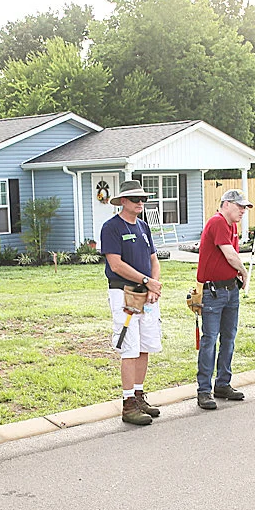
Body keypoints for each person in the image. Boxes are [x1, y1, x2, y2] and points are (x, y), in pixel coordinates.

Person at [100, 181, 165, 423]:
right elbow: (115, 264)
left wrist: (153, 286)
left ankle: (139, 395)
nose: (140, 203)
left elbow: (154, 259)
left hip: (147, 294)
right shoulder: (112, 228)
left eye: (143, 199)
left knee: (145, 345)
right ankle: (128, 404)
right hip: (124, 294)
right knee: (130, 346)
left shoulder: (143, 227)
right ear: (123, 201)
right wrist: (147, 280)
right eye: (135, 199)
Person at [193, 188, 252, 409]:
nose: (243, 211)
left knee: (229, 338)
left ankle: (223, 384)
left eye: (245, 207)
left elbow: (231, 257)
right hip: (213, 292)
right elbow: (229, 254)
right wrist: (244, 273)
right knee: (210, 341)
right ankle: (204, 390)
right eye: (239, 206)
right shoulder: (217, 222)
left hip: (230, 290)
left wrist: (237, 274)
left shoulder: (232, 226)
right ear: (226, 204)